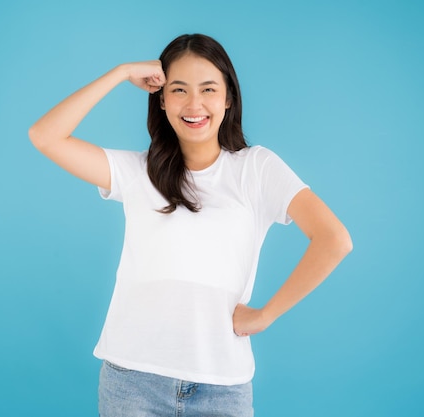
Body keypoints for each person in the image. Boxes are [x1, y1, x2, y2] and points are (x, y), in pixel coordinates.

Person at [29, 33, 352, 417]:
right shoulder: (136, 172)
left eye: (208, 89)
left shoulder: (256, 169)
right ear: (161, 99)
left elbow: (334, 239)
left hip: (222, 387)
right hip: (132, 381)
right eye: (179, 89)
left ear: (228, 98)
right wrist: (121, 73)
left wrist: (267, 314)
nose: (194, 104)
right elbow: (45, 136)